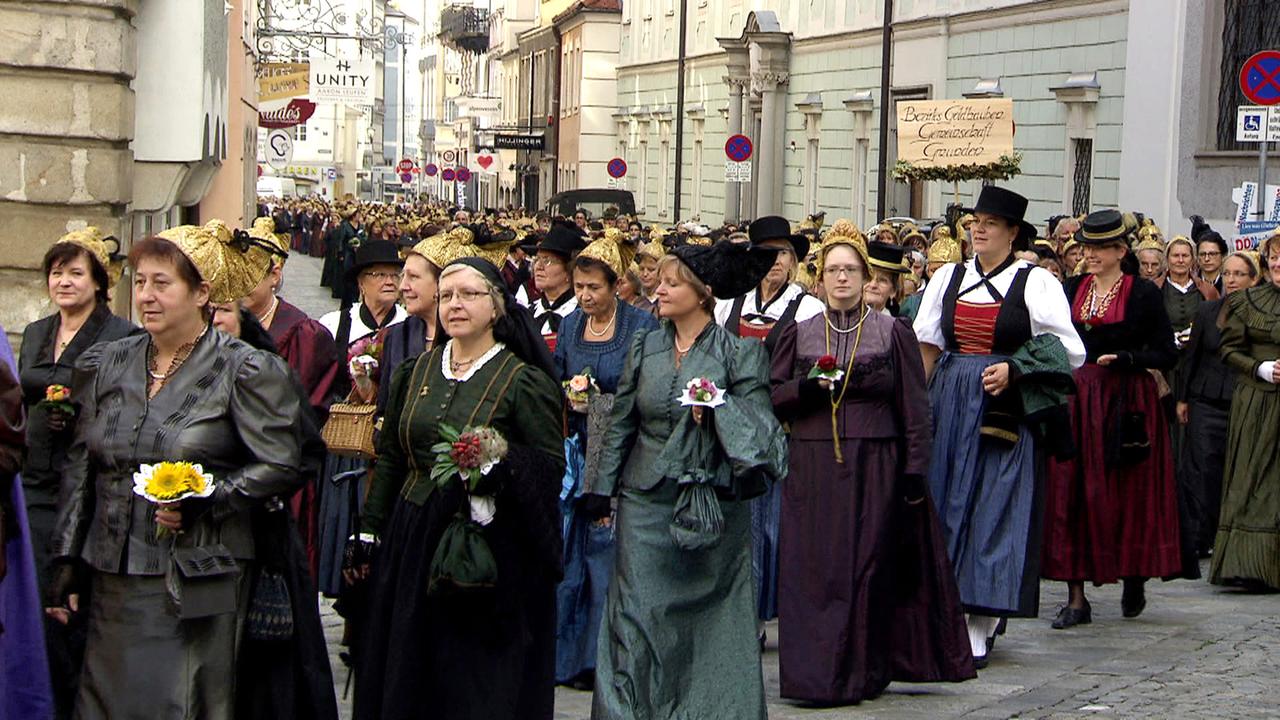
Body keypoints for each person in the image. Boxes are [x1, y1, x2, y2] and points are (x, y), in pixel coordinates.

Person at [46, 221, 313, 720]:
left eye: (161, 284)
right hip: (113, 573)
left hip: (197, 573)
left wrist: (210, 497)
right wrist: (66, 556)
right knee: (103, 704)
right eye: (141, 282)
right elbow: (84, 460)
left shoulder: (244, 369)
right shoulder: (111, 362)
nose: (145, 296)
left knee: (183, 704)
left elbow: (281, 462)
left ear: (201, 294)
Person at [352, 257, 565, 720]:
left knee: (470, 677)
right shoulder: (415, 372)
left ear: (496, 306)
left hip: (485, 548)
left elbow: (550, 468)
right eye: (447, 295)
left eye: (469, 294)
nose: (455, 305)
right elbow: (391, 455)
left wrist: (498, 464)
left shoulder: (521, 380)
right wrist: (369, 533)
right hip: (412, 540)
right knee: (410, 667)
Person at [770, 228, 974, 704]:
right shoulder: (799, 332)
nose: (841, 278)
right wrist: (806, 390)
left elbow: (914, 406)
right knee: (817, 569)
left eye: (851, 270)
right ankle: (816, 675)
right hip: (815, 463)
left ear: (865, 278)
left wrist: (914, 470)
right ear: (818, 280)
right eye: (833, 270)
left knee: (866, 567)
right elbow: (774, 396)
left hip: (876, 464)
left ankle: (862, 671)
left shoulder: (890, 332)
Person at [587, 240, 788, 720]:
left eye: (672, 283)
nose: (658, 289)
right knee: (634, 617)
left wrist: (719, 409)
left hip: (711, 503)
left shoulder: (740, 352)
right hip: (644, 500)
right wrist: (600, 490)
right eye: (659, 280)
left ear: (703, 293)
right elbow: (621, 423)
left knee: (708, 623)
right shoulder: (645, 344)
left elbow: (762, 430)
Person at [914, 186, 1085, 666]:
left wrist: (1016, 368)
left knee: (995, 506)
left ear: (1012, 233)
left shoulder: (1035, 282)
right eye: (975, 221)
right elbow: (927, 347)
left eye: (990, 222)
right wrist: (916, 405)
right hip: (950, 400)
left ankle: (980, 620)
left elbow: (1068, 351)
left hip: (1002, 410)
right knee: (945, 499)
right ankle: (944, 611)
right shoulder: (948, 277)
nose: (979, 228)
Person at [18, 229, 139, 718]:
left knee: (70, 611)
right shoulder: (35, 333)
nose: (63, 282)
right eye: (56, 273)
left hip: (81, 483)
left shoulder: (120, 337)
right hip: (30, 478)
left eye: (74, 273)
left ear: (99, 281)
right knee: (30, 604)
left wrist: (76, 414)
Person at [1041, 210, 1183, 628]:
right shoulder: (1070, 288)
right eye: (1087, 247)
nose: (1092, 254)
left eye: (1101, 247)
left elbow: (1166, 352)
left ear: (1121, 251)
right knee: (1072, 491)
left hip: (1125, 400)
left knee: (1128, 493)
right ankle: (1076, 597)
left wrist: (1128, 358)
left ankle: (1134, 571)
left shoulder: (1142, 294)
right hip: (1078, 401)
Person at [552, 232, 659, 690]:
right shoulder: (574, 324)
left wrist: (602, 403)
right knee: (570, 549)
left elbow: (647, 388)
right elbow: (557, 371)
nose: (584, 296)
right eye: (578, 288)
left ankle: (604, 657)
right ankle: (567, 655)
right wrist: (568, 395)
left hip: (619, 449)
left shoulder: (640, 325)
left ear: (616, 285)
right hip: (576, 447)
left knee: (606, 554)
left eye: (593, 288)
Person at [713, 215, 823, 635]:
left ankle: (763, 612)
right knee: (734, 520)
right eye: (765, 253)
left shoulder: (807, 308)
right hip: (730, 426)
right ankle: (735, 610)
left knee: (772, 525)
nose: (774, 261)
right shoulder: (730, 303)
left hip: (779, 427)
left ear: (793, 260)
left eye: (782, 253)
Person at [240, 218, 340, 578]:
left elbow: (310, 412)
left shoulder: (303, 333)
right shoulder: (221, 326)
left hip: (283, 474)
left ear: (274, 274)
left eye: (250, 274)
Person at [1176, 252, 1260, 562]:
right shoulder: (1209, 310)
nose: (1233, 280)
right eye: (1229, 274)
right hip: (1204, 400)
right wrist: (1183, 399)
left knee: (1234, 469)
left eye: (1240, 274)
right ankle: (1201, 536)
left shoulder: (1262, 314)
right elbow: (1192, 356)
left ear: (1254, 278)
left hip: (1243, 399)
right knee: (1201, 470)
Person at [1211, 235, 1280, 590]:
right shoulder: (1247, 301)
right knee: (1253, 479)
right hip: (1258, 401)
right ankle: (1249, 565)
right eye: (1275, 258)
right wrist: (1261, 368)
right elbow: (1229, 349)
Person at [532, 221, 588, 350]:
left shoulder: (583, 316)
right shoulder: (530, 313)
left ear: (569, 271)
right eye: (537, 259)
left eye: (547, 261)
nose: (538, 267)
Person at [864, 241, 911, 316]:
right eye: (869, 276)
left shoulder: (896, 326)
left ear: (893, 290)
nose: (873, 285)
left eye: (882, 280)